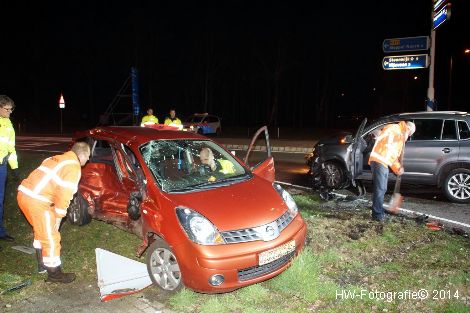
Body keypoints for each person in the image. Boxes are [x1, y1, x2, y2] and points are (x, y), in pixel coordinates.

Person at [17, 142, 90, 283]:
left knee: (41, 231)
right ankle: (54, 274)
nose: (88, 160)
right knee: (51, 237)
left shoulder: (56, 158)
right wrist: (58, 217)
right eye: (88, 156)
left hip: (25, 195)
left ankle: (42, 265)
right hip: (37, 201)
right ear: (82, 154)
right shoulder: (73, 167)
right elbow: (64, 195)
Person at [368, 121, 416, 221]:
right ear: (407, 129)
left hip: (382, 161)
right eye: (410, 134)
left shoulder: (398, 134)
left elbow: (392, 155)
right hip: (379, 159)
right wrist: (398, 168)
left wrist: (397, 168)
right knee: (380, 189)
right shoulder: (396, 131)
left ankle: (378, 211)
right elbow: (389, 148)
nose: (409, 137)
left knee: (382, 188)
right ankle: (377, 215)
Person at [0, 95, 18, 242]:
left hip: (2, 167)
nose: (10, 112)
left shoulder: (8, 124)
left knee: (0, 201)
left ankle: (0, 232)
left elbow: (11, 148)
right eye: (7, 109)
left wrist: (15, 168)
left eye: (11, 109)